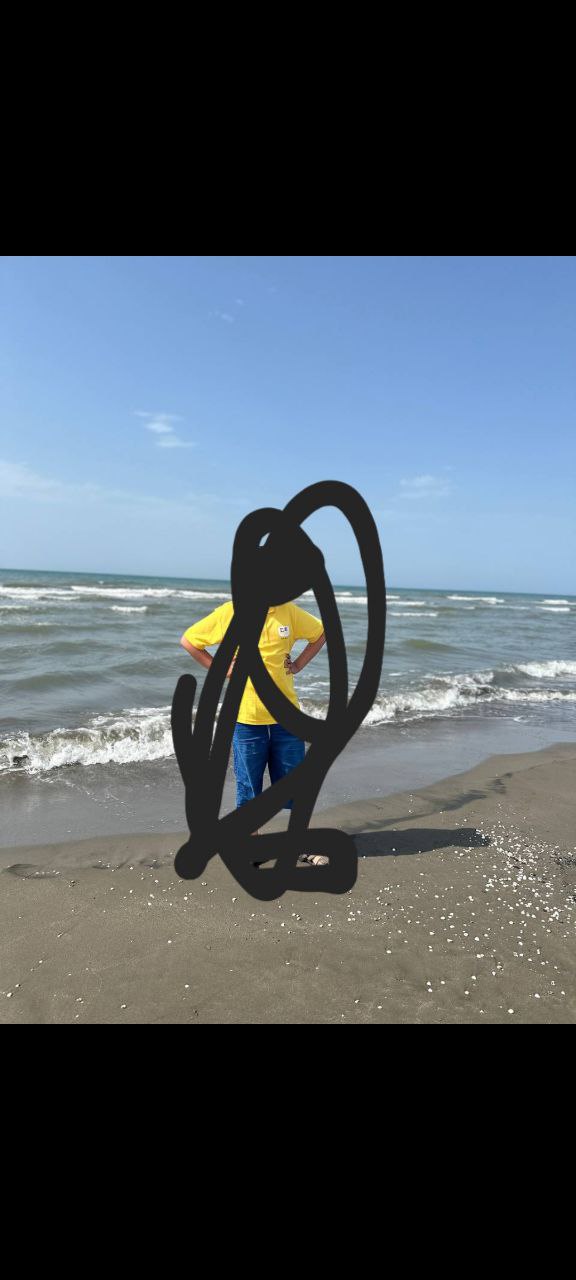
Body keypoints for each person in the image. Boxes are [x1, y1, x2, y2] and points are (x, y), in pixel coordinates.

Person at [180, 599, 328, 864]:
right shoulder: (231, 612)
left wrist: (297, 665)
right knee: (248, 787)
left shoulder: (288, 611)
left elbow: (321, 633)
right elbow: (190, 641)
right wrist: (225, 669)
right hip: (246, 717)